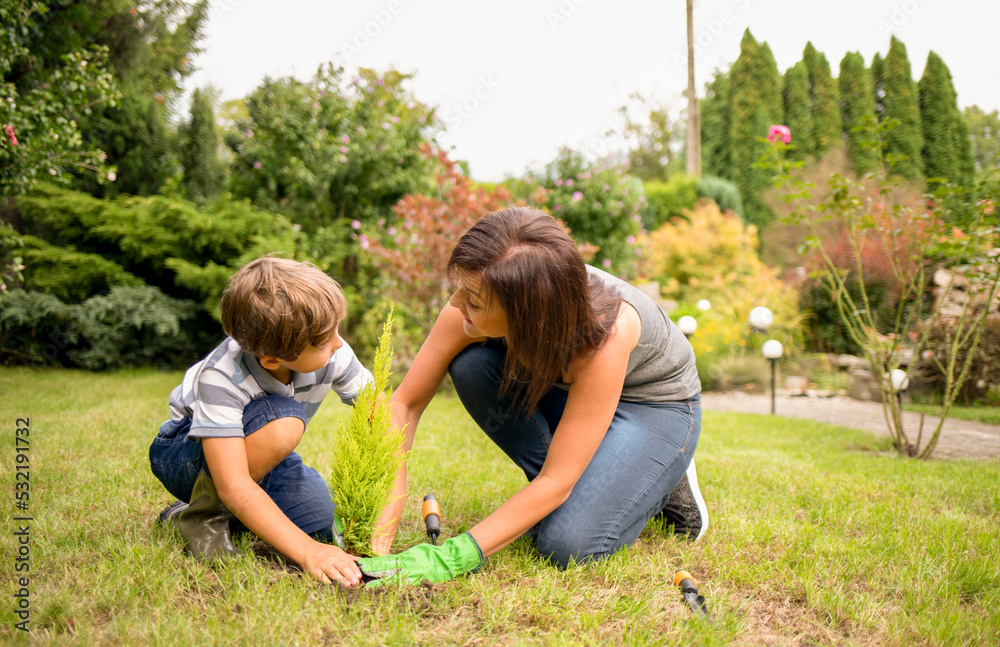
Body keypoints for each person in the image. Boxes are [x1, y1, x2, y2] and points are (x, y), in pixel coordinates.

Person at [358, 207, 708, 585]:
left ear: (527, 317)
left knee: (568, 545)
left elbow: (557, 480)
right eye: (460, 288)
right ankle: (603, 477)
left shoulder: (606, 337)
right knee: (472, 367)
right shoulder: (487, 288)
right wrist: (380, 533)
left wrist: (452, 557)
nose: (457, 303)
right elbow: (404, 405)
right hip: (570, 390)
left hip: (652, 405)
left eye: (473, 300)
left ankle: (660, 475)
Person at [149, 257, 369, 587]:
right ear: (271, 360)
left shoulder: (334, 351)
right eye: (325, 340)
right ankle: (203, 514)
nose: (339, 342)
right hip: (186, 457)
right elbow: (233, 482)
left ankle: (214, 513)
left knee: (322, 520)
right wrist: (309, 553)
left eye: (337, 328)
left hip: (262, 453)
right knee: (286, 420)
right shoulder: (221, 376)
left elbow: (377, 411)